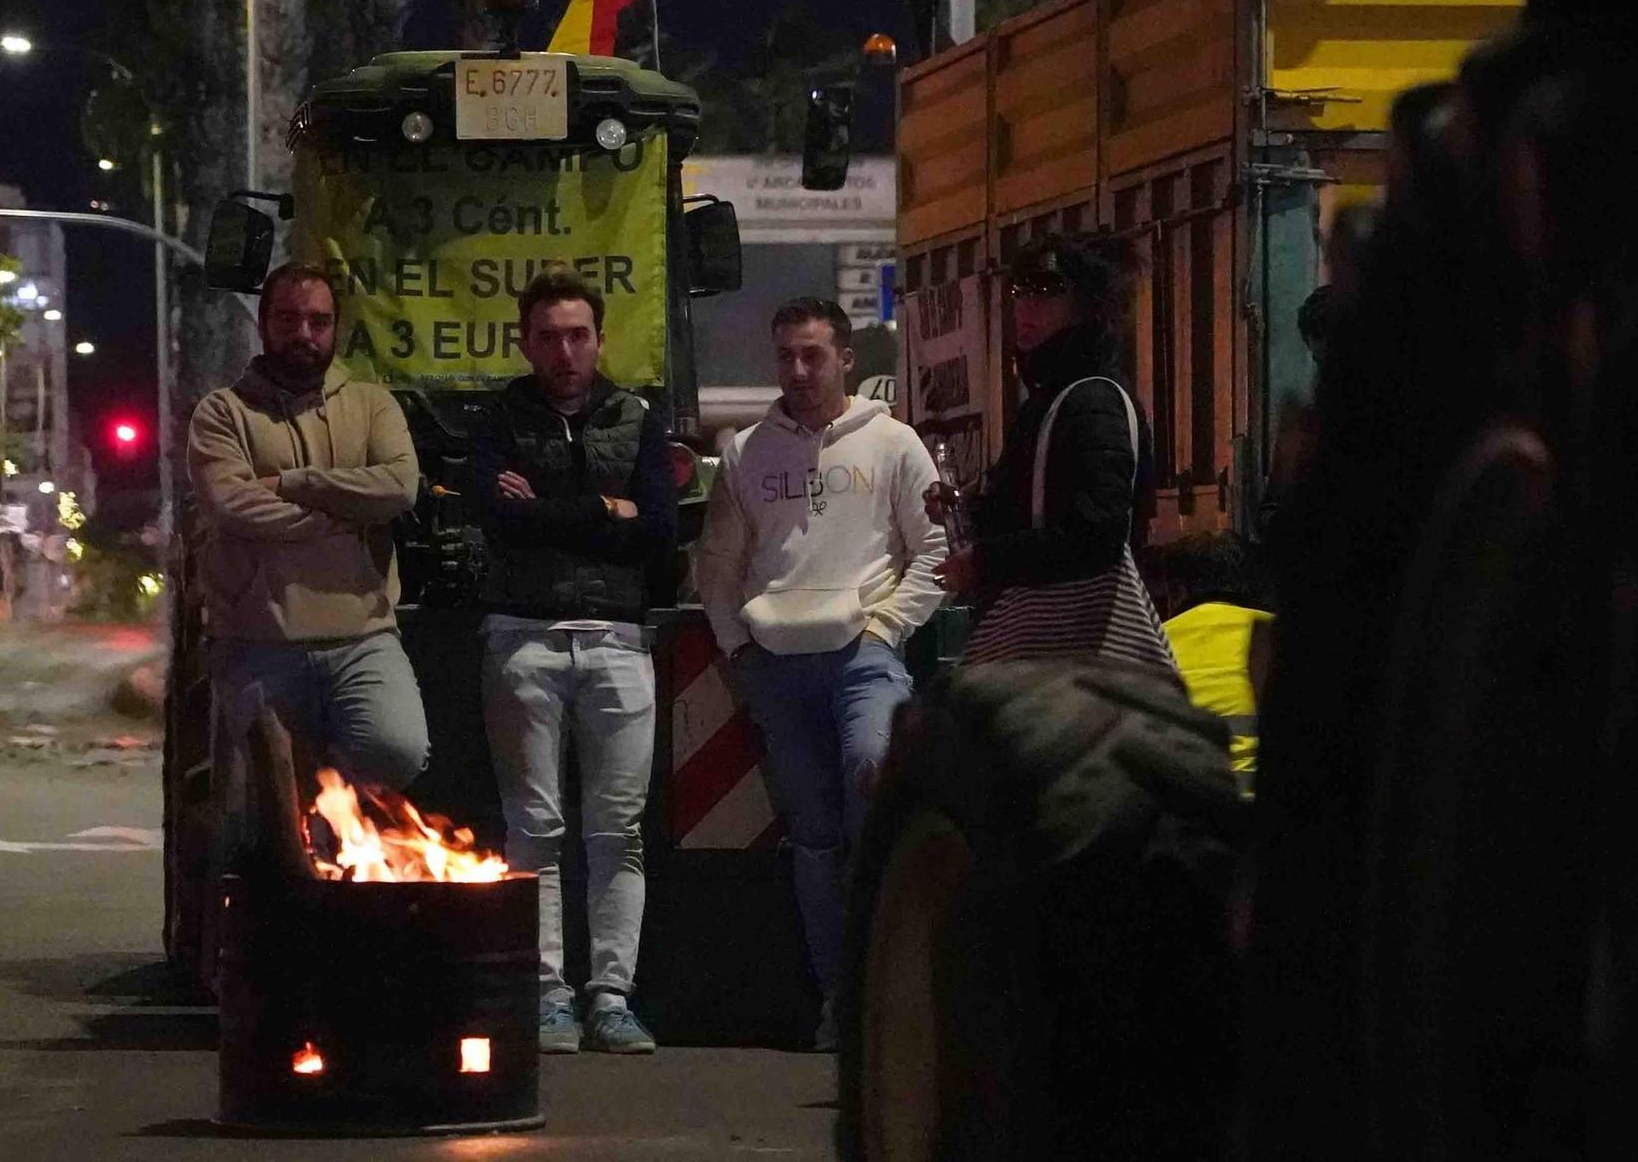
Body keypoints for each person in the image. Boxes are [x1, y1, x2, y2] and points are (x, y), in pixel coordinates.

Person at [695, 296, 949, 1051]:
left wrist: (885, 628)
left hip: (863, 656)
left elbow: (935, 549)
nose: (799, 370)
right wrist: (739, 649)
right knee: (812, 837)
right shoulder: (746, 453)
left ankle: (881, 991)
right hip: (776, 664)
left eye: (813, 355)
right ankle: (841, 1001)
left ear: (846, 358)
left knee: (872, 786)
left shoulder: (895, 443)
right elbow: (717, 564)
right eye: (786, 356)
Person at [470, 270, 676, 1056]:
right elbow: (498, 518)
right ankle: (547, 994)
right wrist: (601, 507)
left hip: (618, 637)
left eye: (578, 335)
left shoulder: (638, 417)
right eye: (550, 337)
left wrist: (550, 510)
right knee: (534, 828)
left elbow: (657, 528)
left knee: (618, 830)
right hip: (523, 635)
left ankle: (612, 996)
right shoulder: (499, 419)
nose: (565, 351)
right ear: (525, 342)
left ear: (600, 339)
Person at [187, 262, 429, 799]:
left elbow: (398, 487)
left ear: (336, 328)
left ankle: (326, 817)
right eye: (288, 319)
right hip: (256, 641)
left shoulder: (372, 405)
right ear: (263, 325)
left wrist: (293, 483)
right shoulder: (222, 413)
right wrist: (348, 513)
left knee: (397, 749)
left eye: (318, 322)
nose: (304, 333)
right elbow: (232, 505)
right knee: (249, 808)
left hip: (361, 637)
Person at [934, 234, 1177, 675]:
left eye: (1046, 290)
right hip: (1055, 654)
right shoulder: (1049, 400)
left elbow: (1096, 536)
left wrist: (985, 561)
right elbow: (1029, 514)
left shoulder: (1092, 399)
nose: (1025, 306)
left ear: (1086, 303)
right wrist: (965, 511)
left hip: (1075, 650)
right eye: (1019, 290)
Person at [1155, 531, 1272, 796]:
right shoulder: (1278, 635)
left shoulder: (1155, 639)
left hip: (1193, 804)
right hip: (1273, 803)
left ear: (1178, 590)